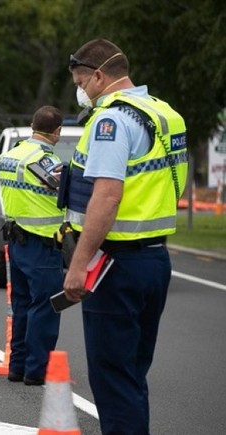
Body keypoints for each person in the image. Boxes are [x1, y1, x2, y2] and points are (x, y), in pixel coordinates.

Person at [61, 39, 187, 434]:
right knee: (132, 374)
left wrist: (79, 265)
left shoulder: (110, 121)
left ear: (98, 76)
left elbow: (107, 195)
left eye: (81, 80)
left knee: (112, 378)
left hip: (115, 264)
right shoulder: (166, 114)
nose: (80, 90)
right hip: (155, 260)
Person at [0, 105, 64, 386]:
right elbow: (62, 188)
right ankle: (36, 371)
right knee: (45, 308)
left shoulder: (9, 156)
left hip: (16, 240)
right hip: (43, 243)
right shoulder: (45, 160)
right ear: (56, 131)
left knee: (22, 306)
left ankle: (17, 366)